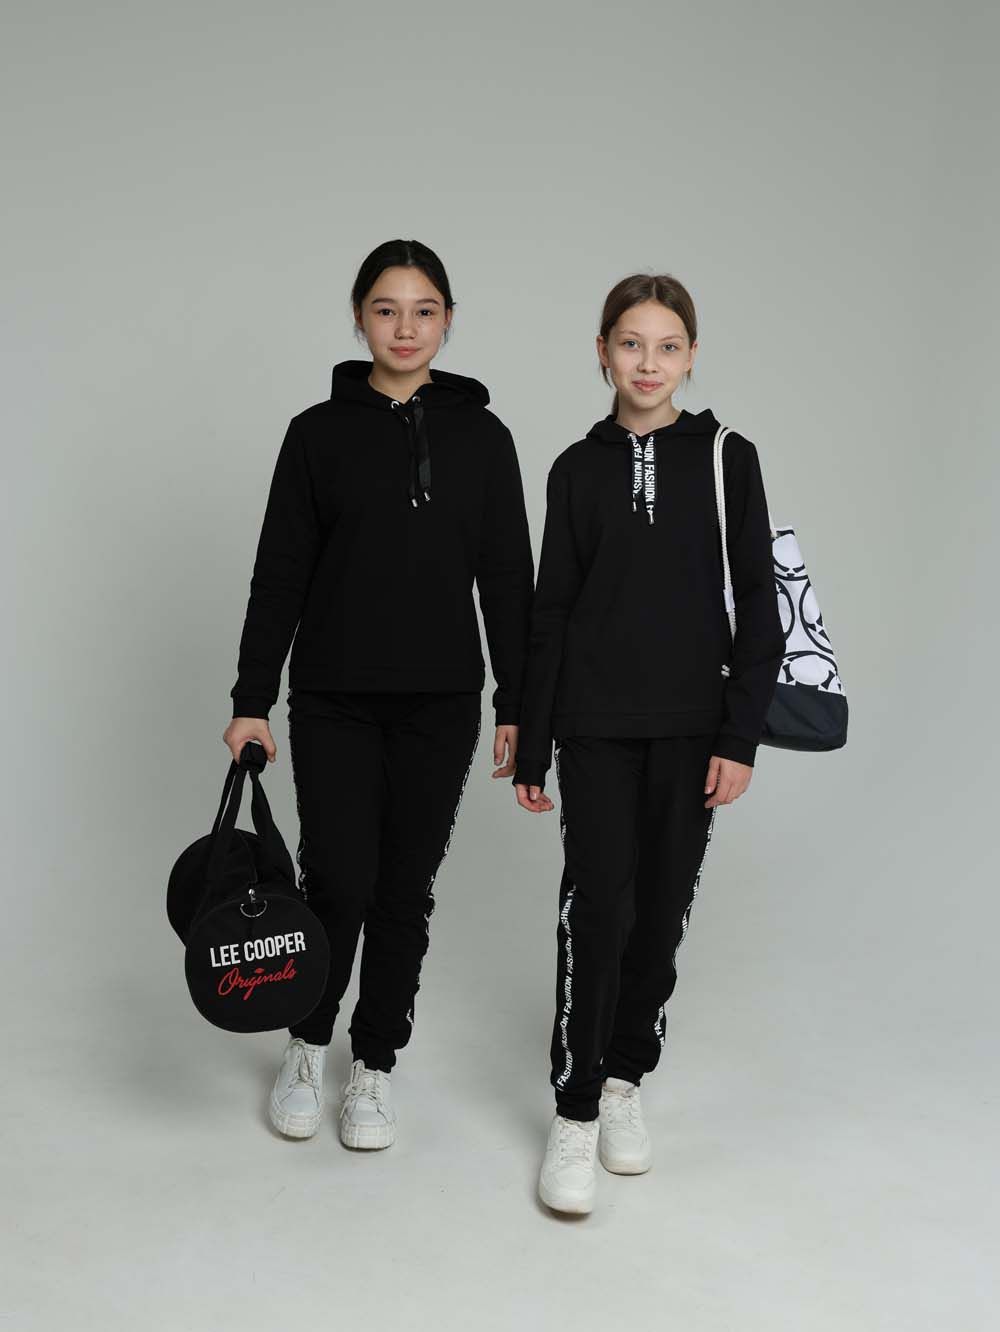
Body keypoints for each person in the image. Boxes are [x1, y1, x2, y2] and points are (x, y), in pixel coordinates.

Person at [225, 239, 534, 1150]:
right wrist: (251, 696)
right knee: (338, 880)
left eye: (424, 310)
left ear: (449, 321)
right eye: (387, 309)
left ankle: (373, 1066)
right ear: (359, 318)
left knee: (405, 889)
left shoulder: (485, 439)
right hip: (334, 698)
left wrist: (518, 702)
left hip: (443, 700)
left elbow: (508, 582)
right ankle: (307, 1044)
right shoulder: (315, 434)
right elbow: (279, 573)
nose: (406, 328)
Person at [513, 272, 785, 1214]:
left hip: (693, 730)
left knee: (661, 913)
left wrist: (740, 737)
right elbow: (551, 610)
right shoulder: (574, 468)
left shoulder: (728, 457)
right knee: (598, 911)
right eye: (631, 343)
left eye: (667, 346)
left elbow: (760, 604)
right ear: (602, 352)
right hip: (594, 728)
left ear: (692, 357)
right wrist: (536, 742)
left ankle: (626, 1078)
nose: (648, 362)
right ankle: (575, 1107)